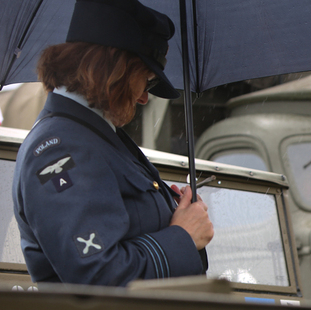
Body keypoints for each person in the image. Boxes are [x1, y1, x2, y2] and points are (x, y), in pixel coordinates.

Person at [12, 0, 213, 286]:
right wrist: (183, 236)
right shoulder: (59, 147)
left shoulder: (92, 135)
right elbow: (98, 276)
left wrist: (178, 213)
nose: (144, 97)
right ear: (115, 71)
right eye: (147, 80)